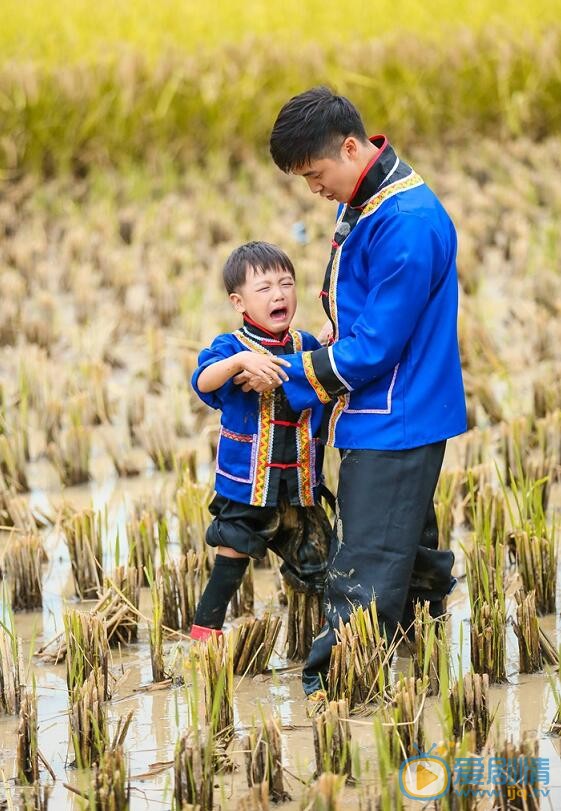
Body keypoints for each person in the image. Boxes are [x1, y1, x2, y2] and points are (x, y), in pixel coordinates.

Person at [237, 87, 467, 696]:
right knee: (409, 555)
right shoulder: (371, 197)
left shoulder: (406, 224)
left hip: (395, 416)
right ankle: (431, 674)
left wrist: (287, 373)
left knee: (363, 569)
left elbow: (375, 348)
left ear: (348, 146)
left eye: (315, 174)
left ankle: (333, 695)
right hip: (386, 411)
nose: (314, 188)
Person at [190, 241, 331, 641]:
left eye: (286, 284)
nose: (279, 294)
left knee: (319, 559)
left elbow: (335, 374)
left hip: (301, 483)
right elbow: (202, 381)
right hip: (249, 483)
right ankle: (205, 631)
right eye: (265, 288)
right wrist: (237, 364)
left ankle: (314, 641)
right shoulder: (232, 348)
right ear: (239, 302)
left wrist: (334, 337)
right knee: (232, 552)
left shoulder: (307, 345)